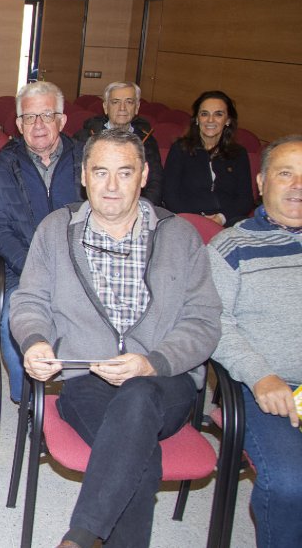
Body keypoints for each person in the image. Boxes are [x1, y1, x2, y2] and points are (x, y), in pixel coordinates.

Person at [12, 129, 221, 548]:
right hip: (85, 378)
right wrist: (35, 340)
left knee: (140, 397)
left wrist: (152, 363)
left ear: (143, 176)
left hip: (166, 379)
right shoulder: (57, 229)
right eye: (100, 172)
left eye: (124, 173)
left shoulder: (179, 236)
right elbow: (30, 299)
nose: (111, 186)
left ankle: (79, 537)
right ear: (84, 176)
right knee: (138, 462)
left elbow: (203, 321)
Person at [208, 134, 302, 548]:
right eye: (286, 174)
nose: (298, 185)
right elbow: (215, 323)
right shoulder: (231, 246)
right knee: (291, 484)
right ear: (262, 183)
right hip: (266, 386)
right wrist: (260, 376)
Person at [0, 81, 84, 403]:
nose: (38, 125)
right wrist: (35, 270)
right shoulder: (3, 165)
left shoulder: (87, 160)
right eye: (29, 118)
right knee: (13, 314)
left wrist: (71, 273)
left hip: (81, 271)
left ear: (62, 120)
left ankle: (82, 395)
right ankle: (26, 401)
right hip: (22, 270)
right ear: (18, 124)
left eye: (46, 115)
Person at [163, 90, 254, 227]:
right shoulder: (180, 149)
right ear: (197, 120)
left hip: (226, 222)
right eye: (204, 114)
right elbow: (170, 195)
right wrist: (197, 220)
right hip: (186, 220)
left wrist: (221, 218)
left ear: (228, 120)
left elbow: (245, 199)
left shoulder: (238, 154)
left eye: (218, 114)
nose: (210, 120)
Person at [73, 81, 164, 205]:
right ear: (105, 107)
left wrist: (141, 211)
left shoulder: (148, 141)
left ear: (136, 107)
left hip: (136, 208)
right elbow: (78, 182)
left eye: (129, 102)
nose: (122, 108)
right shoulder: (85, 137)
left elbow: (155, 183)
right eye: (115, 102)